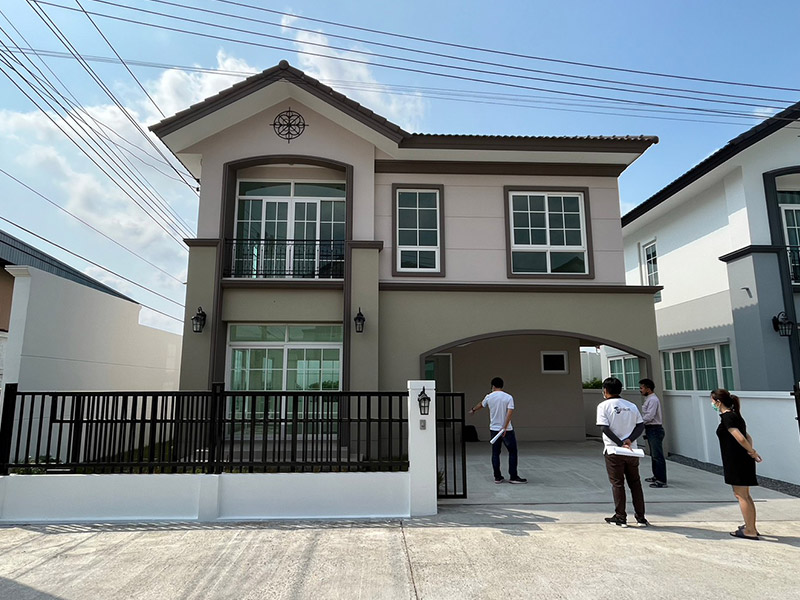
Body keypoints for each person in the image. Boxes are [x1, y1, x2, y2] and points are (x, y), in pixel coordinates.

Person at [710, 389, 762, 540]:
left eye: (712, 400)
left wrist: (752, 452)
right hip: (742, 459)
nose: (711, 403)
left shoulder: (728, 417)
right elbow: (747, 436)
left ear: (718, 402)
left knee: (741, 495)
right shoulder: (735, 416)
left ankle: (750, 530)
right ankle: (751, 526)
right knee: (745, 495)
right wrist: (750, 451)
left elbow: (740, 438)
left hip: (736, 461)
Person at [596, 377, 648, 527]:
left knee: (618, 484)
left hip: (613, 450)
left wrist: (620, 443)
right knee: (635, 483)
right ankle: (641, 517)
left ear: (605, 390)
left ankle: (620, 517)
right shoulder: (631, 406)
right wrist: (629, 440)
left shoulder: (603, 406)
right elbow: (640, 425)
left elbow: (604, 428)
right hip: (632, 451)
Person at [468, 377, 527, 484]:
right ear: (502, 386)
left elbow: (481, 404)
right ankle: (513, 476)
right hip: (507, 429)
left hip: (494, 429)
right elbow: (509, 413)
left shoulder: (489, 397)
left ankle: (497, 477)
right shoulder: (508, 397)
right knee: (512, 452)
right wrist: (504, 427)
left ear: (493, 386)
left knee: (495, 453)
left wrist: (473, 410)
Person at [639, 378, 667, 488]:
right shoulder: (649, 399)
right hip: (651, 429)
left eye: (642, 388)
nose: (640, 390)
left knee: (657, 456)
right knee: (654, 455)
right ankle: (656, 476)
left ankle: (661, 480)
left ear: (648, 389)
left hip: (655, 429)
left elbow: (650, 416)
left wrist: (639, 422)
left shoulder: (653, 400)